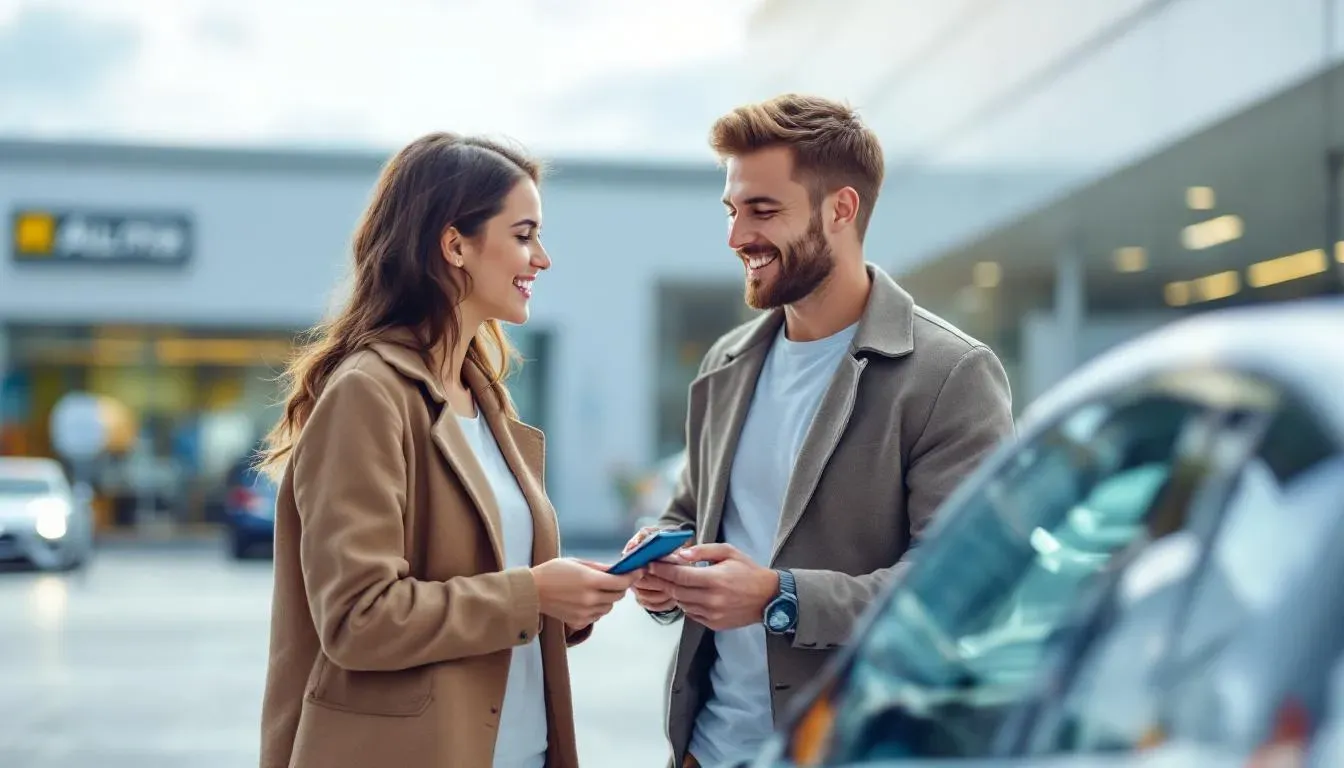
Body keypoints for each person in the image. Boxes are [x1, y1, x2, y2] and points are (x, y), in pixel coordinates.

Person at [625, 94, 1016, 767]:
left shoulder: (951, 374)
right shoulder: (726, 362)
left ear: (840, 209)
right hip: (709, 749)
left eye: (763, 211)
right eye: (733, 210)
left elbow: (963, 590)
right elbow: (693, 512)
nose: (736, 236)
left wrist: (781, 598)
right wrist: (662, 568)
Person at [256, 132, 640, 768]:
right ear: (455, 244)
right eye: (523, 234)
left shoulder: (483, 398)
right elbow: (360, 618)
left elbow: (492, 591)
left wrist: (567, 602)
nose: (541, 258)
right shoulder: (367, 395)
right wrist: (534, 594)